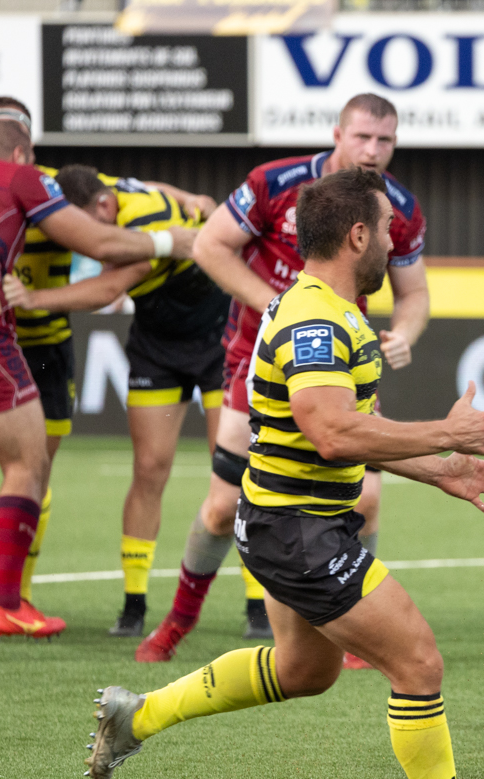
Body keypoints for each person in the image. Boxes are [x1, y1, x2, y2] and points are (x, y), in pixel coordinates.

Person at [85, 168, 484, 779]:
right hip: (297, 530)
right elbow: (332, 432)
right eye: (389, 229)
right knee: (418, 659)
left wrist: (437, 467)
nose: (396, 241)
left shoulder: (329, 309)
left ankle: (137, 715)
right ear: (357, 234)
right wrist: (445, 436)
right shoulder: (314, 319)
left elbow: (348, 431)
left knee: (305, 670)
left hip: (287, 519)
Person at [134, 92, 429, 663]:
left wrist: (405, 335)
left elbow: (414, 294)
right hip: (256, 359)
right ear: (337, 133)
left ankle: (353, 630)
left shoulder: (400, 207)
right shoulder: (276, 182)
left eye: (384, 140)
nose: (372, 150)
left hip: (340, 365)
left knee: (366, 499)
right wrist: (282, 309)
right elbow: (211, 246)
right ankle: (176, 622)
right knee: (221, 508)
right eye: (362, 136)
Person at [0, 97, 212, 625]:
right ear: (21, 145)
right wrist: (174, 239)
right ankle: (5, 604)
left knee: (35, 467)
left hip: (42, 343)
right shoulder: (26, 176)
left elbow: (128, 189)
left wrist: (185, 196)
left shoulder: (51, 180)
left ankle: (18, 593)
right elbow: (102, 242)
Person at [3, 164, 229, 639]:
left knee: (230, 471)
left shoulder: (141, 224)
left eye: (83, 229)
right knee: (149, 469)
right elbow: (162, 186)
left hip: (217, 342)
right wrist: (193, 193)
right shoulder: (118, 192)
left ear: (102, 208)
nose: (80, 243)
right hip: (156, 343)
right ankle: (134, 604)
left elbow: (108, 289)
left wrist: (33, 297)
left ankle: (256, 607)